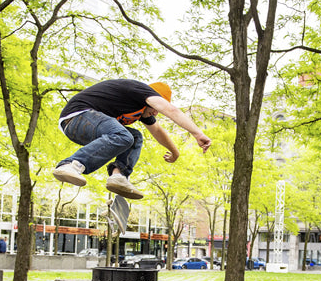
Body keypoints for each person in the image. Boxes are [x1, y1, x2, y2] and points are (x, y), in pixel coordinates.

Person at [53, 79, 211, 199]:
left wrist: (175, 152)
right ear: (152, 99)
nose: (155, 113)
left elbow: (157, 131)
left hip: (86, 128)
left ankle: (118, 176)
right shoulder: (141, 91)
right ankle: (71, 164)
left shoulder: (141, 109)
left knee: (135, 137)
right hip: (77, 117)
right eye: (156, 109)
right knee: (123, 136)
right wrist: (197, 133)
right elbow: (171, 109)